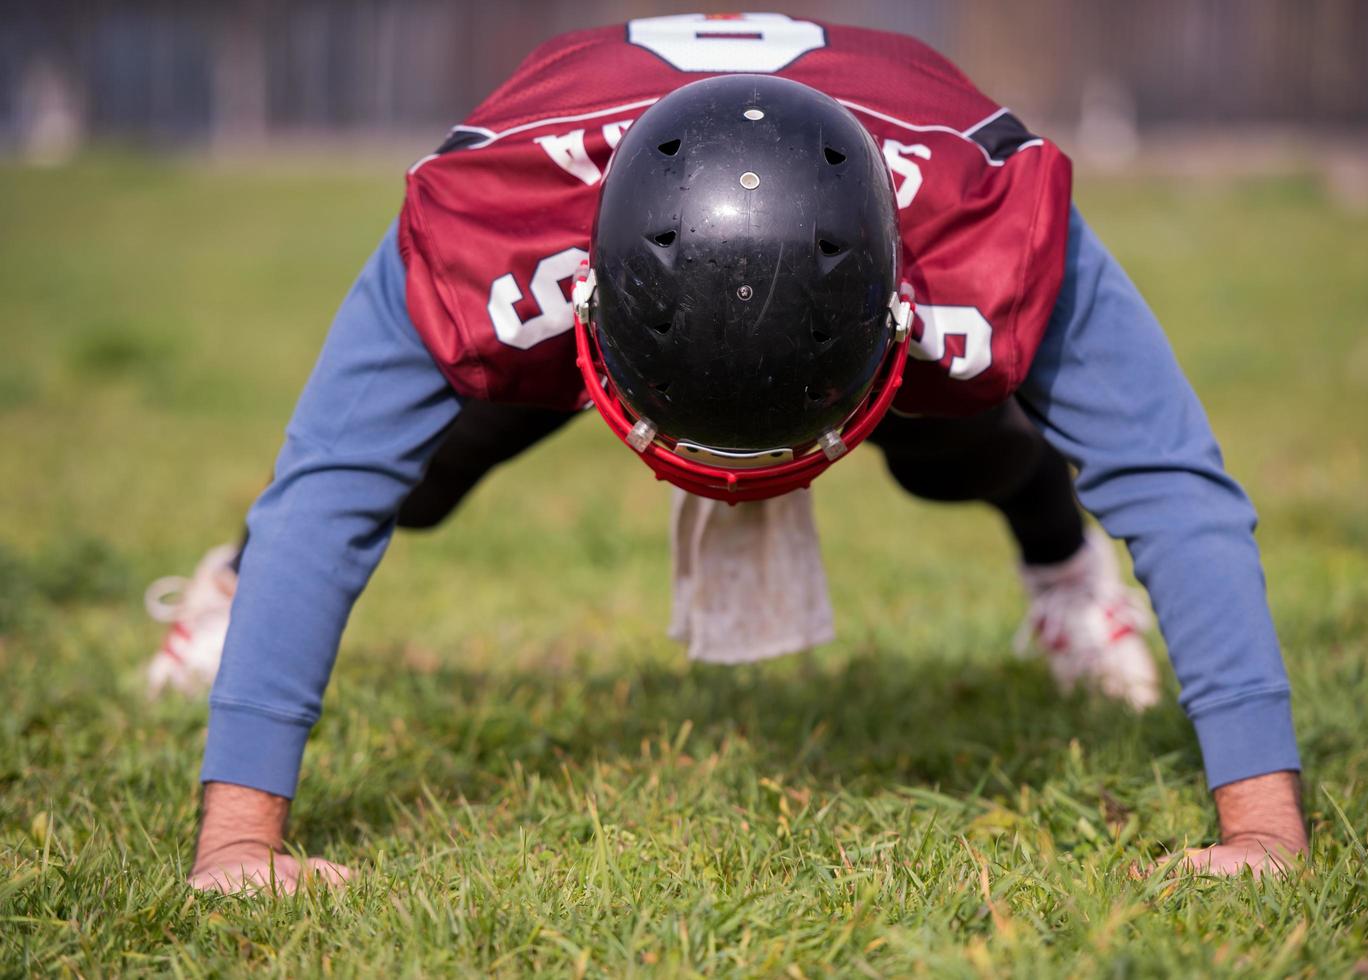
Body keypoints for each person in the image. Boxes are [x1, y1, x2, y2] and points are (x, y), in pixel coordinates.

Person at [169, 13, 1305, 893]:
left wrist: (1262, 828)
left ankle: (1067, 583)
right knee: (439, 452)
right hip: (587, 230)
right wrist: (239, 838)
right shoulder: (498, 222)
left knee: (964, 434)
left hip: (890, 229)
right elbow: (331, 481)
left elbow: (1171, 477)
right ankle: (235, 583)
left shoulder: (980, 216)